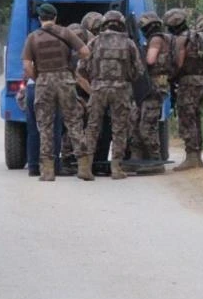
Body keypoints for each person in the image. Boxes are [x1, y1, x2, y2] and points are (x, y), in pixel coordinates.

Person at [21, 3, 90, 181]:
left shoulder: (32, 37)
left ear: (39, 19)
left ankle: (48, 172)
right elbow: (85, 52)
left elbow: (27, 65)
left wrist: (39, 78)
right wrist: (70, 64)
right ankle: (84, 168)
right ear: (55, 17)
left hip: (44, 82)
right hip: (65, 80)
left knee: (45, 125)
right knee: (74, 122)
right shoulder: (66, 33)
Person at [82, 10, 145, 180]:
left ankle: (85, 167)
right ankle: (116, 168)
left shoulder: (94, 42)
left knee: (93, 127)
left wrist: (94, 78)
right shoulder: (129, 43)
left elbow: (81, 67)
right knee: (119, 128)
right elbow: (139, 70)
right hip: (121, 90)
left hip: (98, 89)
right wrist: (127, 78)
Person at [165, 8, 203, 172]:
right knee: (196, 117)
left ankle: (192, 157)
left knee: (187, 118)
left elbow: (179, 63)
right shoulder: (200, 36)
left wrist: (170, 77)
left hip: (188, 82)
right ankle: (197, 155)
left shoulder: (183, 39)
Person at [134, 11, 175, 161]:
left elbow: (150, 60)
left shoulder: (156, 40)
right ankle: (139, 158)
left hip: (154, 87)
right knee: (139, 123)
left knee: (146, 127)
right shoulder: (168, 38)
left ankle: (155, 159)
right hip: (159, 86)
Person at [59, 23, 93, 175]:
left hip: (67, 94)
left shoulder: (63, 52)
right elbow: (80, 78)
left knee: (70, 127)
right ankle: (70, 159)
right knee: (74, 127)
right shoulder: (80, 55)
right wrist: (93, 94)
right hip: (75, 96)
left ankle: (68, 158)